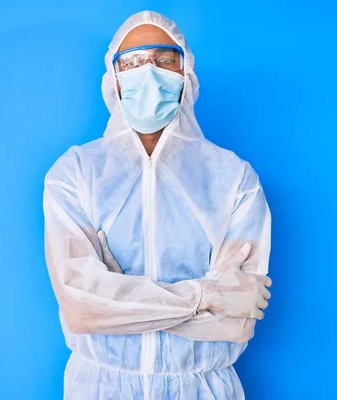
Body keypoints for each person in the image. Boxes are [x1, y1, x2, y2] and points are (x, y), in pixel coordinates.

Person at [43, 10, 272, 399]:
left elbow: (235, 322)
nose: (148, 72)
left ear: (187, 74)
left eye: (164, 60)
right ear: (113, 79)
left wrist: (120, 301)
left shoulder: (233, 178)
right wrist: (206, 295)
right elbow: (82, 307)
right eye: (131, 62)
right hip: (100, 387)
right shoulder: (76, 173)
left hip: (203, 388)